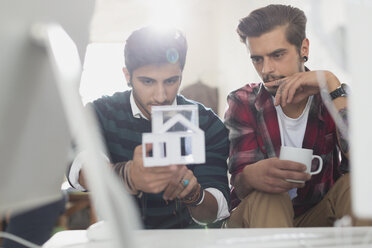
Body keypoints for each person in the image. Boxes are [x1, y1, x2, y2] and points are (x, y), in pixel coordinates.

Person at [67, 26, 230, 229]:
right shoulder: (101, 112)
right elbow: (80, 167)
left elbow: (214, 211)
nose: (160, 96)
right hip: (121, 237)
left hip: (186, 239)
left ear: (181, 74)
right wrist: (129, 176)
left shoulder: (206, 123)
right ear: (127, 76)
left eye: (171, 81)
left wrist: (193, 194)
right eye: (148, 81)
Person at [224, 4, 359, 228]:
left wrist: (332, 84)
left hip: (316, 214)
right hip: (257, 216)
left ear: (303, 48)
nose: (266, 69)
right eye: (257, 59)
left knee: (359, 186)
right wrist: (250, 176)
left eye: (277, 55)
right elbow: (239, 185)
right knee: (270, 196)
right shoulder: (243, 101)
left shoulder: (334, 97)